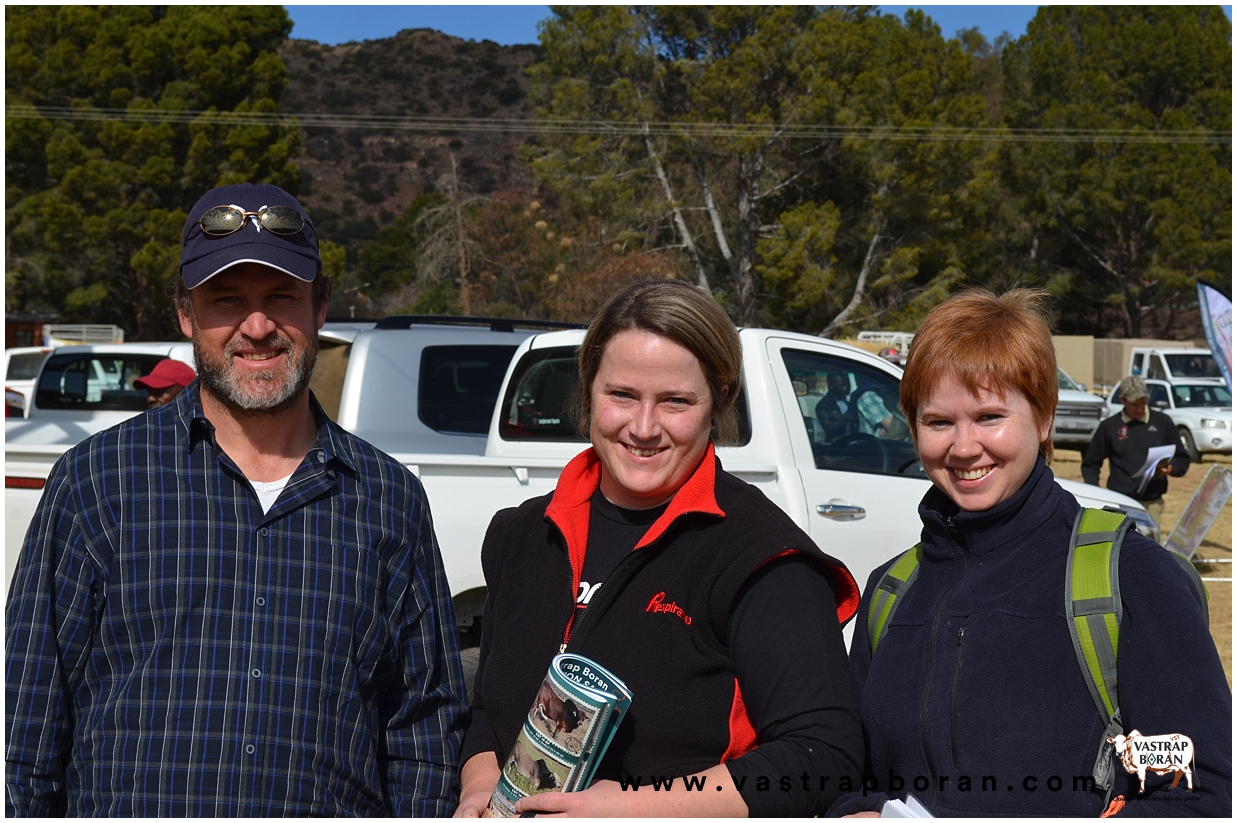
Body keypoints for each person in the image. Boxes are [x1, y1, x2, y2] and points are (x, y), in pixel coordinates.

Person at [5, 183, 467, 816]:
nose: (257, 326)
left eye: (282, 296)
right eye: (226, 299)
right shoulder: (97, 482)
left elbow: (424, 735)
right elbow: (25, 720)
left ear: (320, 307)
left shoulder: (390, 500)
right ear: (186, 315)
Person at [456, 279, 864, 817]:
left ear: (719, 402)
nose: (644, 428)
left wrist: (634, 807)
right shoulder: (523, 535)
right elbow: (488, 710)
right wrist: (479, 786)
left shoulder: (764, 558)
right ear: (588, 389)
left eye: (675, 401)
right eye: (622, 395)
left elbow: (823, 757)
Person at [830, 289, 1230, 817]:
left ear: (1043, 420)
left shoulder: (1132, 577)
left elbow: (1199, 794)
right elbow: (848, 775)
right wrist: (853, 810)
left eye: (989, 416)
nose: (964, 447)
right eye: (939, 422)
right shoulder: (891, 591)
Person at [1082, 375, 1190, 528]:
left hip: (1152, 504)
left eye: (1143, 403)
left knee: (1150, 543)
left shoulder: (1163, 422)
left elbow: (1182, 458)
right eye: (1134, 404)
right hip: (1119, 503)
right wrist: (1096, 495)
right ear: (1122, 400)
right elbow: (1090, 464)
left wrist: (1172, 468)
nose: (1139, 409)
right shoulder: (1109, 427)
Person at [815, 372, 855, 441]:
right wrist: (847, 416)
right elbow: (829, 428)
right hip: (837, 443)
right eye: (841, 386)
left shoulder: (846, 401)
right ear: (831, 386)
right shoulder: (823, 405)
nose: (845, 388)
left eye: (846, 385)